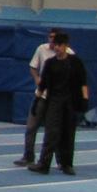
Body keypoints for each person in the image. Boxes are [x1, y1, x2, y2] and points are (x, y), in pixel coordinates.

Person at [30, 29, 88, 176]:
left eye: (60, 45)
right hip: (54, 101)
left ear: (65, 46)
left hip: (70, 101)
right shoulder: (50, 63)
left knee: (68, 134)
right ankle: (44, 164)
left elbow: (83, 83)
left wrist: (84, 100)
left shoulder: (75, 62)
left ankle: (67, 164)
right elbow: (43, 84)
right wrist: (36, 100)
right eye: (55, 45)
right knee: (51, 133)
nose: (57, 48)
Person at [14, 28, 64, 167]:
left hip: (56, 99)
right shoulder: (42, 49)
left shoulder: (68, 55)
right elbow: (33, 66)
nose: (52, 40)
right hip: (41, 95)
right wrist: (37, 79)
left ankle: (60, 160)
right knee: (31, 126)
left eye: (55, 38)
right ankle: (28, 156)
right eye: (50, 37)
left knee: (54, 131)